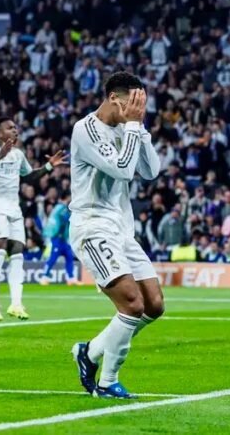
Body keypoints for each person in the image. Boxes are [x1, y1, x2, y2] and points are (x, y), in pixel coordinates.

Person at [69, 72, 163, 399]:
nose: (135, 109)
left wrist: (139, 128)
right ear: (113, 98)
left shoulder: (128, 128)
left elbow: (150, 171)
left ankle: (90, 352)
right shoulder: (86, 129)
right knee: (132, 304)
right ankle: (108, 381)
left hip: (122, 229)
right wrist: (134, 126)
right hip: (93, 226)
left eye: (140, 105)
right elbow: (123, 169)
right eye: (131, 103)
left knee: (154, 305)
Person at [0, 117, 65, 321]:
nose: (15, 131)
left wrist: (49, 166)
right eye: (10, 128)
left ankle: (16, 304)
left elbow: (29, 176)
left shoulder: (18, 155)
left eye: (16, 128)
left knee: (17, 252)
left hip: (13, 210)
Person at [41, 190, 79, 285]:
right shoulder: (61, 207)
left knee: (69, 256)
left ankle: (70, 278)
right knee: (53, 257)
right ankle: (44, 276)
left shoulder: (60, 207)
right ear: (67, 197)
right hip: (57, 238)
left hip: (63, 239)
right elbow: (64, 218)